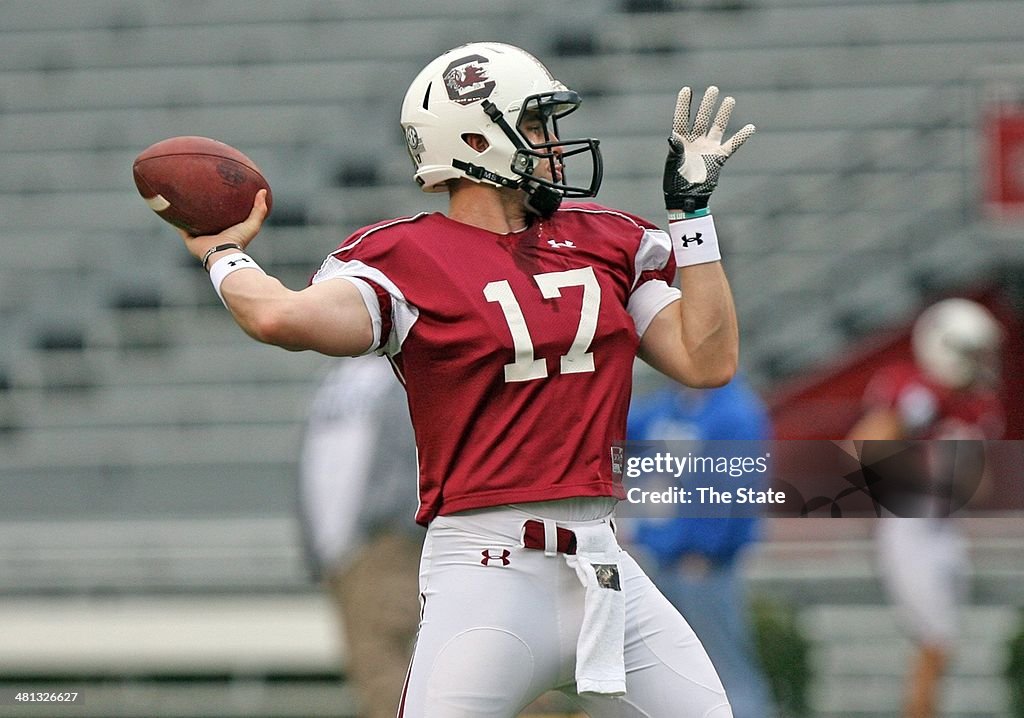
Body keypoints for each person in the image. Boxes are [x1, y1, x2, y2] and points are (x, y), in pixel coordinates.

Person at [173, 42, 755, 717]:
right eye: (536, 126)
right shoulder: (406, 258)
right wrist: (221, 251)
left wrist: (692, 218)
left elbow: (707, 360)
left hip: (603, 564)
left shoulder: (608, 240)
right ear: (475, 140)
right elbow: (277, 317)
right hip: (488, 573)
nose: (554, 145)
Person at [847, 298, 1005, 718]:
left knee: (941, 646)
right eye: (973, 352)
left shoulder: (976, 405)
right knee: (935, 641)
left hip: (946, 527)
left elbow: (980, 485)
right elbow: (861, 447)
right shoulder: (914, 392)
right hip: (910, 525)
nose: (982, 363)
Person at [626, 372, 778, 718]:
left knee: (726, 672)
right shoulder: (670, 404)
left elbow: (737, 488)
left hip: (704, 567)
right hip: (662, 560)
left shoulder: (735, 411)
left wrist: (707, 549)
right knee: (669, 676)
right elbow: (625, 433)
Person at [297, 355, 423, 718]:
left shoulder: (407, 367)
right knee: (373, 669)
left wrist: (394, 529)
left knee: (386, 667)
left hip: (389, 544)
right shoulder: (334, 379)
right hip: (343, 553)